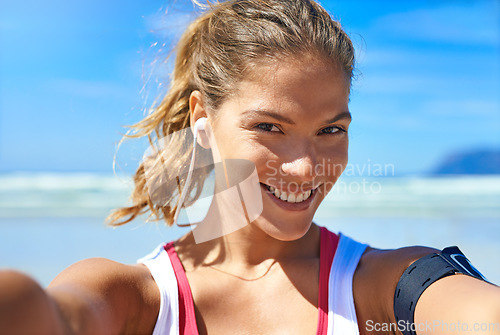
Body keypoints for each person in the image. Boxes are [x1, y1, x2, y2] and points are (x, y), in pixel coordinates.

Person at [1, 0, 499, 334]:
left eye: (331, 130)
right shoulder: (139, 301)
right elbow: (46, 314)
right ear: (202, 119)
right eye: (269, 127)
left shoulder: (380, 288)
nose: (305, 169)